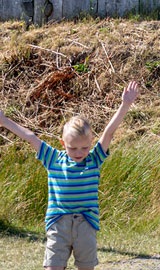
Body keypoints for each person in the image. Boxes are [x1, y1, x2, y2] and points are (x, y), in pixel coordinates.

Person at [0, 82, 139, 270]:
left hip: (86, 224)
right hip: (58, 223)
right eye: (72, 147)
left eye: (84, 147)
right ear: (62, 143)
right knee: (53, 267)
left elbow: (108, 132)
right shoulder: (53, 158)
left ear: (91, 142)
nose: (79, 152)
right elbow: (31, 137)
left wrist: (125, 105)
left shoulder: (94, 159)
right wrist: (4, 121)